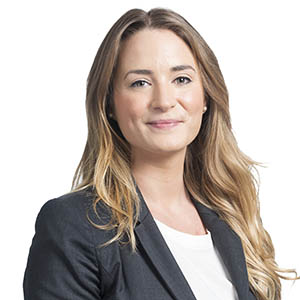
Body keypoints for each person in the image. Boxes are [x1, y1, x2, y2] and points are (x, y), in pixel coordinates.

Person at [23, 7, 298, 300]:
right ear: (110, 105)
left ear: (206, 97)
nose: (164, 101)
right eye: (140, 83)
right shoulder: (75, 226)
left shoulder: (234, 219)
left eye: (181, 79)